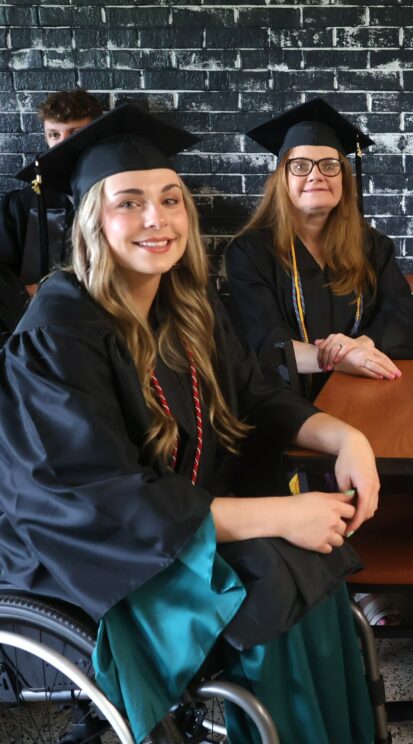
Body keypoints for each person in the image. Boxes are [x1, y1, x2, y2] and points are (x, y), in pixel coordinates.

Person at [0, 104, 379, 744]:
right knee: (274, 572)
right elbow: (101, 498)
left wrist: (346, 436)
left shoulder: (185, 310)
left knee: (303, 561)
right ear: (93, 220)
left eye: (172, 199)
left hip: (175, 529)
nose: (158, 219)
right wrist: (282, 514)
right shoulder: (57, 337)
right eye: (129, 202)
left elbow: (256, 396)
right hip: (83, 560)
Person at [226, 98, 413, 399]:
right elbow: (262, 340)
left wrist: (364, 343)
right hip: (285, 407)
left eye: (330, 165)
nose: (316, 175)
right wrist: (339, 359)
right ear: (282, 180)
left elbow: (408, 318)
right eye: (300, 166)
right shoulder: (251, 252)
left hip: (363, 393)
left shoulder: (372, 246)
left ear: (344, 178)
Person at [0, 89, 103, 340]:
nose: (62, 143)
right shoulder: (23, 204)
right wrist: (27, 299)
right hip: (35, 330)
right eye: (54, 134)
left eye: (75, 133)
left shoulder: (113, 198)